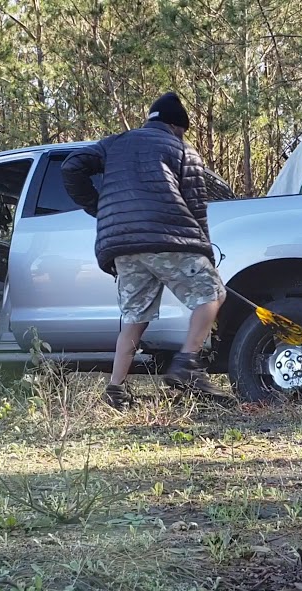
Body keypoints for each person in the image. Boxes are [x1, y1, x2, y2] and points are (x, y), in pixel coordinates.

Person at [62, 92, 227, 408]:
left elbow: (71, 167)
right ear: (177, 126)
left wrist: (100, 207)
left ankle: (115, 390)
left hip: (122, 244)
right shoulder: (183, 150)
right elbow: (196, 206)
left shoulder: (114, 143)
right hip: (168, 236)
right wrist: (204, 250)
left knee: (134, 316)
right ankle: (187, 364)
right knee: (212, 294)